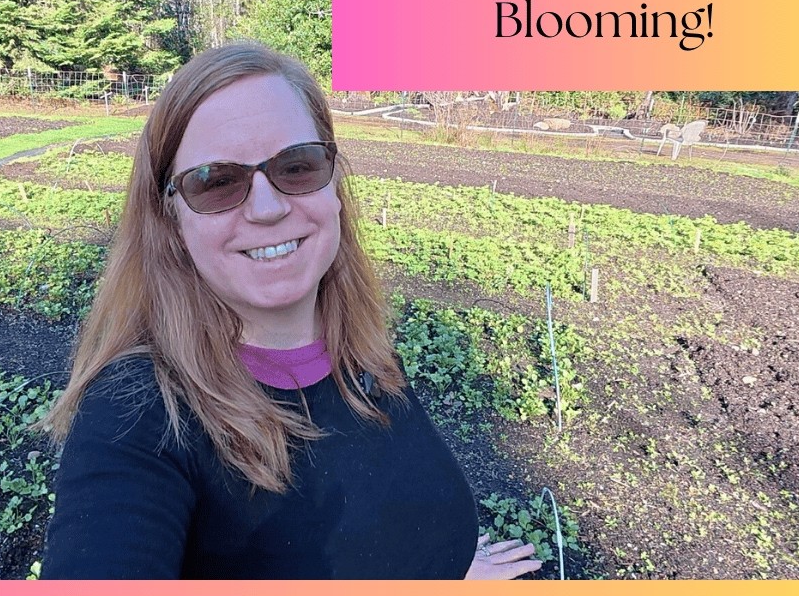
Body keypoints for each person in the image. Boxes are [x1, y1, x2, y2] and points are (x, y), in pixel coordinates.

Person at [38, 42, 541, 579]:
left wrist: (450, 560)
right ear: (171, 221)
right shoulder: (139, 412)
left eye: (296, 167)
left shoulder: (360, 348)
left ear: (334, 186)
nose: (269, 207)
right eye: (216, 182)